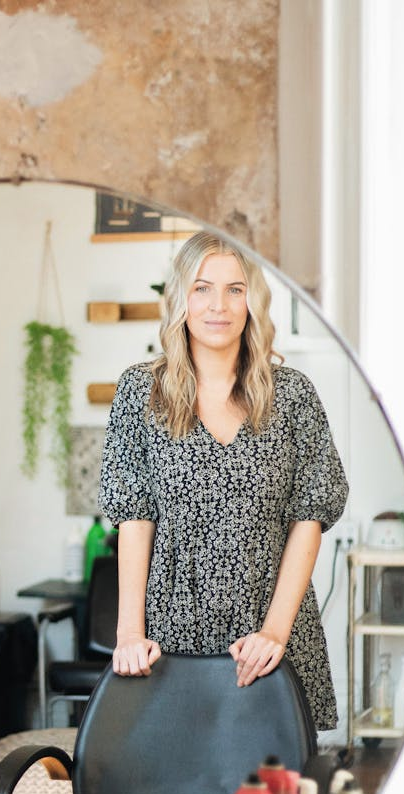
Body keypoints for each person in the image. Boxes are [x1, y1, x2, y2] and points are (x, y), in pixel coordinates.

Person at [98, 231, 348, 733]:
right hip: (171, 642)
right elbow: (135, 516)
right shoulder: (140, 393)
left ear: (252, 301)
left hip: (269, 641)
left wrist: (273, 634)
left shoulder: (293, 395)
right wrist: (129, 633)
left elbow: (311, 517)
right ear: (180, 299)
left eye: (235, 289)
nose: (219, 305)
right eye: (202, 288)